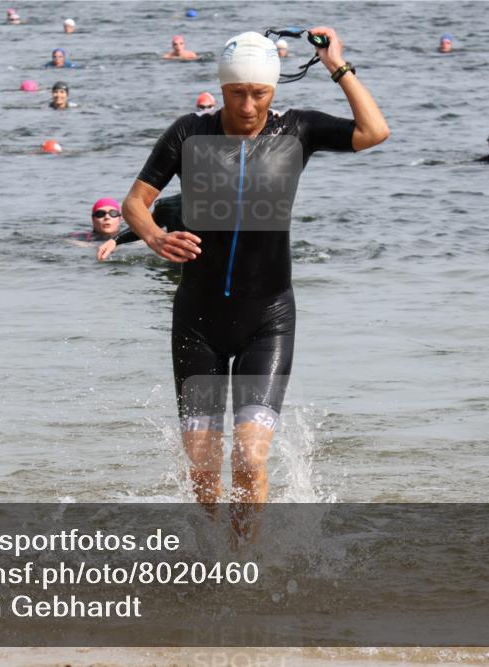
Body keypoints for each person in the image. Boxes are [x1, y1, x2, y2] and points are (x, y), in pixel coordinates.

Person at [121, 28, 389, 510]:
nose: (247, 105)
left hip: (267, 319)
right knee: (203, 473)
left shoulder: (297, 130)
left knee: (249, 457)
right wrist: (155, 236)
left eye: (259, 93)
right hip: (197, 322)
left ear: (274, 89)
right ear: (221, 88)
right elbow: (136, 202)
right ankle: (213, 567)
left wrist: (337, 65)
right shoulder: (189, 132)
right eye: (236, 93)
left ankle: (245, 565)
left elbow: (374, 132)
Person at [97, 194, 184, 260]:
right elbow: (146, 227)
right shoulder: (170, 206)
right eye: (99, 214)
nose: (107, 217)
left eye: (113, 213)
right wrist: (115, 240)